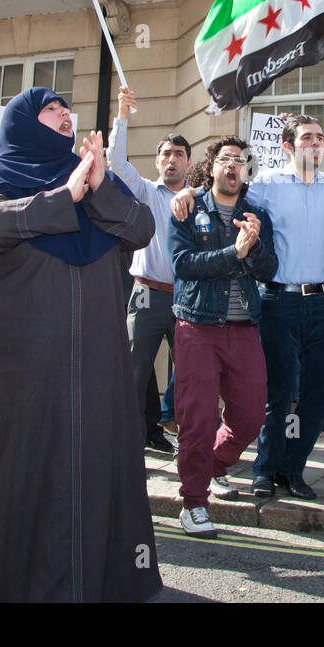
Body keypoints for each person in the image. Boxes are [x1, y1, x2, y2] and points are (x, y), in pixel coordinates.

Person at [0, 87, 161, 602]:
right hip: (16, 364)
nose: (64, 114)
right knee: (20, 471)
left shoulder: (95, 176)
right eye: (50, 109)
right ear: (22, 124)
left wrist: (98, 187)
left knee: (87, 465)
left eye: (66, 108)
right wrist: (63, 198)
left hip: (91, 360)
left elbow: (142, 227)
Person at [171, 115, 324, 500]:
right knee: (278, 390)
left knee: (318, 391)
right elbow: (225, 188)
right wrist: (189, 192)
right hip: (278, 300)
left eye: (320, 137)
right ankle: (263, 469)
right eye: (307, 137)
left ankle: (292, 470)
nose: (316, 143)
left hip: (321, 302)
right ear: (289, 147)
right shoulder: (268, 185)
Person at [170, 137, 277, 536]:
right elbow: (183, 265)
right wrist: (234, 252)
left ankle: (211, 466)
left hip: (244, 326)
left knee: (250, 416)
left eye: (241, 161)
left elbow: (270, 270)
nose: (233, 166)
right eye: (226, 159)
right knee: (196, 419)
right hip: (197, 324)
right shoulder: (188, 207)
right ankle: (194, 503)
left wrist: (254, 248)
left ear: (248, 171)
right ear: (212, 167)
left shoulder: (258, 213)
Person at [108, 86, 190, 453]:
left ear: (189, 161)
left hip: (187, 299)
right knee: (135, 368)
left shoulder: (199, 198)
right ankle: (131, 436)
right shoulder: (144, 191)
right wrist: (122, 116)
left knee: (189, 371)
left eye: (178, 154)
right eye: (166, 154)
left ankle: (179, 433)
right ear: (157, 162)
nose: (171, 160)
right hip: (145, 292)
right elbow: (116, 163)